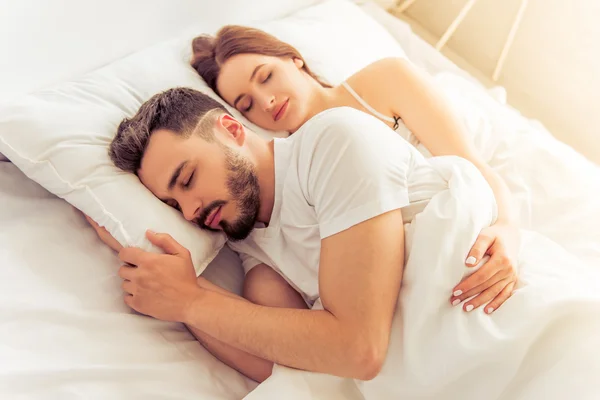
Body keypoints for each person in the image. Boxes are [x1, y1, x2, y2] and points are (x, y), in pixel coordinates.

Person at [86, 87, 512, 384]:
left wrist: (191, 299)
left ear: (231, 130)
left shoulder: (333, 141)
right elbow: (301, 372)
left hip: (508, 331)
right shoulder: (258, 263)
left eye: (189, 178)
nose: (192, 209)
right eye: (174, 206)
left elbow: (358, 348)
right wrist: (178, 295)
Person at [190, 25, 519, 311]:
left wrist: (507, 230)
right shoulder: (292, 173)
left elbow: (472, 164)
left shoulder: (386, 81)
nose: (266, 101)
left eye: (266, 77)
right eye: (246, 104)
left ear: (293, 58)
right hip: (400, 282)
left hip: (463, 228)